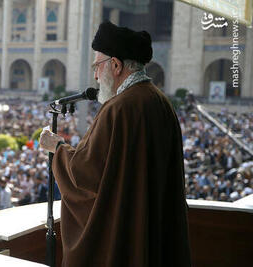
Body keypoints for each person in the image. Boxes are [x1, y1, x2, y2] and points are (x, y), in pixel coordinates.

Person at [40, 21, 191, 266]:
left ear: (116, 65)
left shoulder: (118, 108)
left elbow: (85, 175)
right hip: (155, 229)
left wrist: (57, 148)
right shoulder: (161, 102)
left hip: (126, 234)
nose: (95, 75)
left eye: (97, 66)